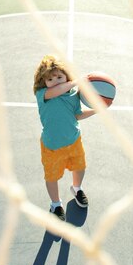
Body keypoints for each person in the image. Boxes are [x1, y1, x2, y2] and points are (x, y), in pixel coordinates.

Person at [33, 55, 96, 221]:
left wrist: (97, 109)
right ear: (43, 82)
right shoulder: (43, 94)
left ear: (66, 77)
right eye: (50, 79)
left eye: (60, 77)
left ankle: (77, 188)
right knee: (52, 177)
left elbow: (78, 115)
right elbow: (56, 91)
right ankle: (56, 204)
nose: (56, 81)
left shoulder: (72, 95)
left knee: (80, 167)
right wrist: (76, 81)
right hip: (52, 146)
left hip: (74, 140)